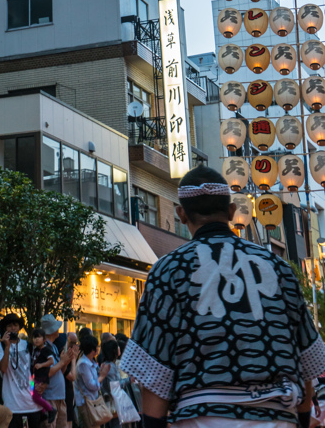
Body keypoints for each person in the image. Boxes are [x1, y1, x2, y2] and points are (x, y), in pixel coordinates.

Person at [121, 164, 325, 428]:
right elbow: (307, 360)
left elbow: (153, 368)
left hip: (200, 416)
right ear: (231, 211)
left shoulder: (168, 270)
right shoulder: (279, 268)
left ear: (181, 214)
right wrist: (303, 417)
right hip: (276, 415)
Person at [0, 312, 41, 428]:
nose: (13, 328)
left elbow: (36, 369)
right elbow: (3, 369)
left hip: (31, 405)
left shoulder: (28, 345)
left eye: (15, 325)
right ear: (5, 329)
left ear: (19, 327)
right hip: (12, 406)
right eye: (9, 326)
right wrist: (7, 346)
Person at [39, 315, 75, 428]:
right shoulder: (43, 348)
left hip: (59, 396)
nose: (58, 329)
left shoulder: (53, 347)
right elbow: (45, 373)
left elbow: (59, 370)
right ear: (51, 331)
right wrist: (62, 362)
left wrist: (65, 362)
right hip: (49, 397)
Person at [74, 335, 101, 428]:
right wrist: (103, 376)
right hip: (85, 403)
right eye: (97, 346)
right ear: (93, 350)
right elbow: (91, 385)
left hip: (92, 402)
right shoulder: (83, 364)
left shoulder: (91, 362)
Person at [63, 333, 78, 428]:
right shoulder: (63, 359)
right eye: (71, 343)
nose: (73, 346)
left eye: (75, 343)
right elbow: (72, 377)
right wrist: (73, 359)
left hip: (69, 393)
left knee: (69, 421)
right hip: (64, 394)